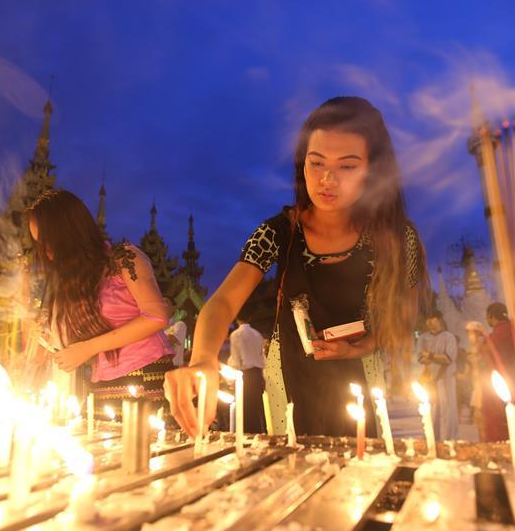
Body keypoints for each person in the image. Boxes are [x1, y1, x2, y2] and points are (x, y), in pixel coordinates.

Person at [165, 96, 428, 437]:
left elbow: (403, 316)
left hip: (360, 371)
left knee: (359, 471)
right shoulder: (278, 232)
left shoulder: (396, 237)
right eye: (316, 163)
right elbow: (224, 302)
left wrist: (360, 346)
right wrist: (202, 359)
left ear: (373, 171)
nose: (327, 179)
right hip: (287, 375)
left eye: (347, 166)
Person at [26, 190, 173, 401]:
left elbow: (156, 316)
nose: (45, 251)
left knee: (143, 434)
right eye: (38, 243)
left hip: (146, 375)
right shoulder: (74, 280)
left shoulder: (123, 258)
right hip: (102, 384)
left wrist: (87, 349)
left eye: (47, 241)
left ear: (67, 232)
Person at [417, 311, 458, 440]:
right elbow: (420, 358)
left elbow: (448, 358)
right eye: (427, 320)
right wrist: (434, 358)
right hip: (429, 380)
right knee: (430, 410)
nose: (430, 323)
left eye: (433, 319)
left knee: (447, 410)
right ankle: (430, 440)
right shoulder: (423, 338)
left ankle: (448, 440)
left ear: (439, 319)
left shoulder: (449, 337)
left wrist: (430, 356)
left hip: (446, 379)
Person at [466, 320, 508, 442]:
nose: (470, 337)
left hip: (488, 390)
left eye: (472, 334)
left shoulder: (484, 348)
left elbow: (485, 371)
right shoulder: (476, 349)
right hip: (481, 388)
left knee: (490, 422)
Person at [227, 315, 266, 433]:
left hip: (245, 375)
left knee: (245, 409)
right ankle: (259, 433)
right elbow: (261, 356)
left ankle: (247, 436)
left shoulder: (235, 335)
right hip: (258, 374)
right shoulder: (257, 334)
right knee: (257, 408)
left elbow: (236, 359)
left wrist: (231, 379)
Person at [164, 300, 188, 367]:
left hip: (174, 367)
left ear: (174, 308)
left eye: (165, 302)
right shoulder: (156, 327)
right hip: (158, 367)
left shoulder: (179, 325)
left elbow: (168, 341)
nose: (162, 305)